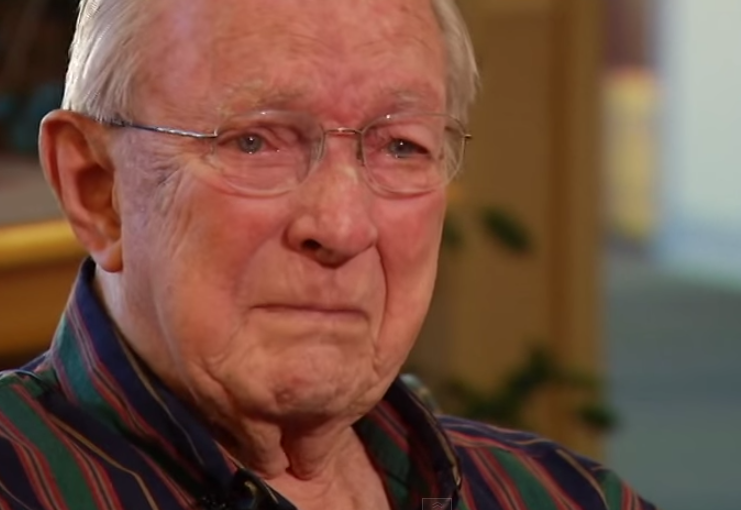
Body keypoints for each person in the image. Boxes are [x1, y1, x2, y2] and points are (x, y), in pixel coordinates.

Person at [0, 0, 658, 508]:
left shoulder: (565, 496)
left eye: (400, 146)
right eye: (255, 141)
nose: (343, 226)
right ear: (97, 189)